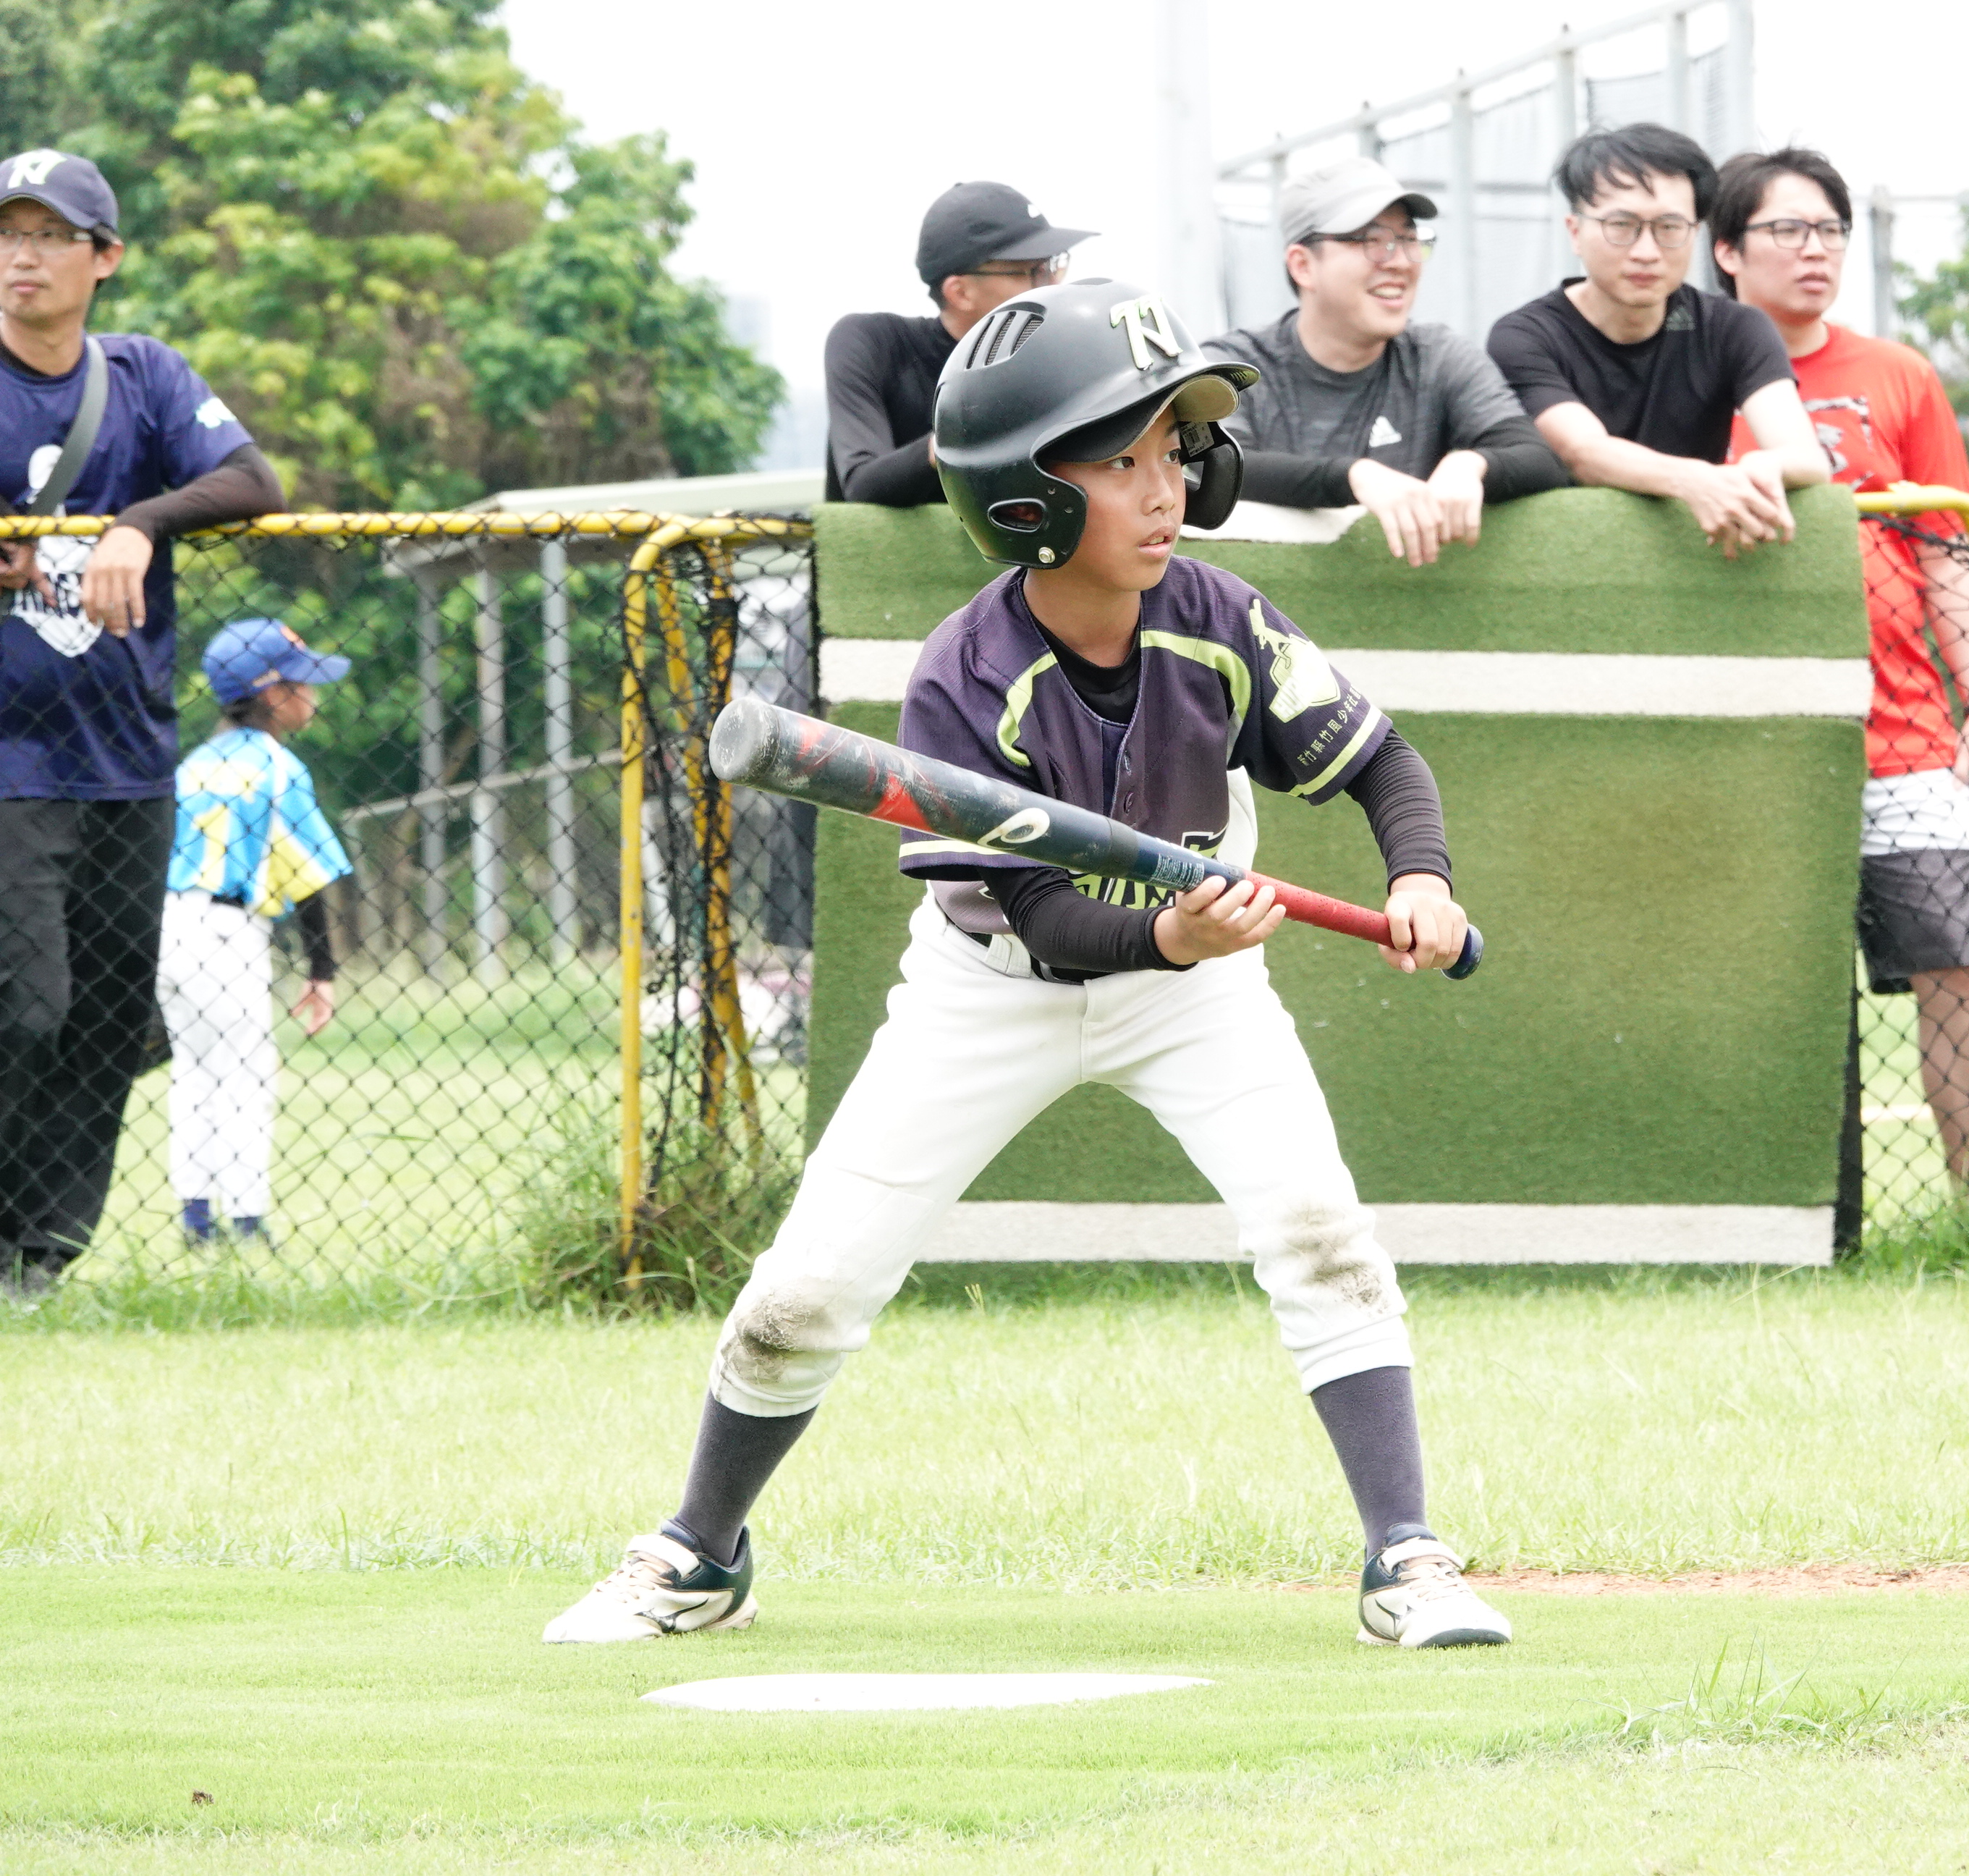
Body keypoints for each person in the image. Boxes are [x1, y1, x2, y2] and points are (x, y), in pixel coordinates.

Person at [545, 279, 1512, 1653]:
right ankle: (701, 1553)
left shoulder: (1220, 617)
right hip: (987, 992)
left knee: (1320, 1235)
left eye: (1174, 451)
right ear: (1024, 500)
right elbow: (1042, 917)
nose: (1163, 488)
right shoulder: (963, 674)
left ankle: (1405, 1555)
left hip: (1197, 997)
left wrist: (1420, 876)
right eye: (1119, 462)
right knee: (807, 1291)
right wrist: (1168, 931)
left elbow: (1380, 762)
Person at [0, 148, 286, 1299]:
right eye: (6, 233)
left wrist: (142, 522)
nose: (21, 254)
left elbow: (255, 482)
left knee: (111, 1018)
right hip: (9, 762)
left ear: (105, 257)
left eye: (47, 234)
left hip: (126, 759)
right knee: (28, 1007)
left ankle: (41, 1256)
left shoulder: (144, 376)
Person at [1712, 148, 1969, 1191]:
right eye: (1788, 230)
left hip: (1907, 736)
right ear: (1729, 251)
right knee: (1770, 984)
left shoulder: (1900, 376)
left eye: (1829, 230)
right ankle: (1784, 1215)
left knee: (1955, 965)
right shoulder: (1693, 376)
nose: (1815, 251)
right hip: (1753, 739)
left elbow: (1948, 550)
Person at [1204, 155, 1566, 564]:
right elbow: (1213, 465)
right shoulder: (1235, 367)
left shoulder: (1438, 357)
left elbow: (1539, 459)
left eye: (1409, 240)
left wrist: (1473, 464)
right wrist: (1353, 477)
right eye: (1371, 242)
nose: (1400, 262)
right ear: (1303, 266)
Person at [1486, 122, 1826, 554]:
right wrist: (1693, 480)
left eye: (1669, 227)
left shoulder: (1735, 329)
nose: (1646, 252)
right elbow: (1582, 452)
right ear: (1575, 231)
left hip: (1692, 559)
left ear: (1695, 233)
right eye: (1621, 225)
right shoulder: (1525, 336)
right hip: (1562, 558)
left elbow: (1807, 458)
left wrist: (1765, 464)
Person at [157, 619, 352, 1247]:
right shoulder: (276, 766)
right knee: (246, 1073)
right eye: (303, 682)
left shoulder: (191, 765)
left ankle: (196, 1220)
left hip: (168, 926)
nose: (313, 694)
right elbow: (308, 875)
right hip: (227, 930)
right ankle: (247, 1222)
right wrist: (321, 970)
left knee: (193, 1073)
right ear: (272, 694)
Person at [822, 180, 1095, 506]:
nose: (1051, 285)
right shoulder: (872, 342)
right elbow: (862, 485)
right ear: (960, 292)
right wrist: (971, 431)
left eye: (1052, 265)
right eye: (1032, 271)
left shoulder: (1055, 362)